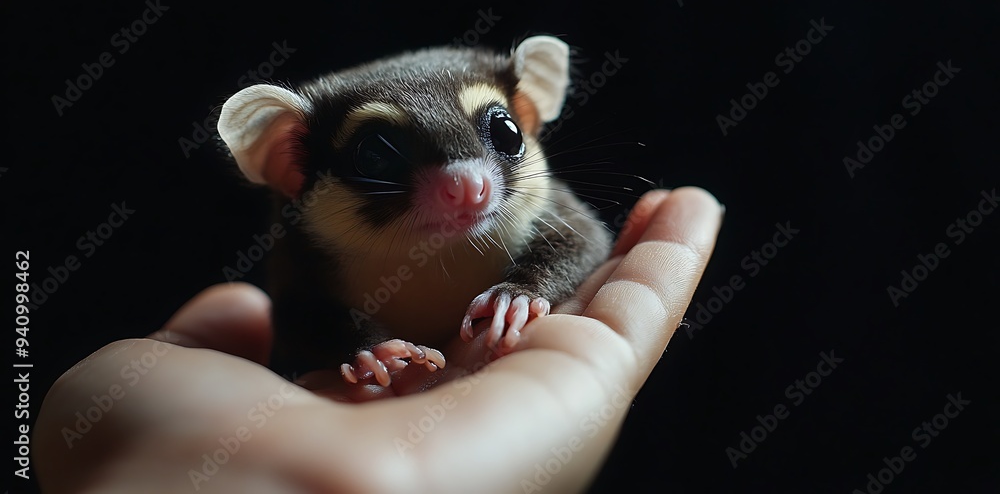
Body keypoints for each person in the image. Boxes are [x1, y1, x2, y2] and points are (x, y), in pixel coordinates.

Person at [34, 188, 722, 493]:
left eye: (502, 133)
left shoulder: (538, 205)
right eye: (382, 153)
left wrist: (530, 286)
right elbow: (307, 320)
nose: (465, 185)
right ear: (288, 161)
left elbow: (580, 242)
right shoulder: (306, 251)